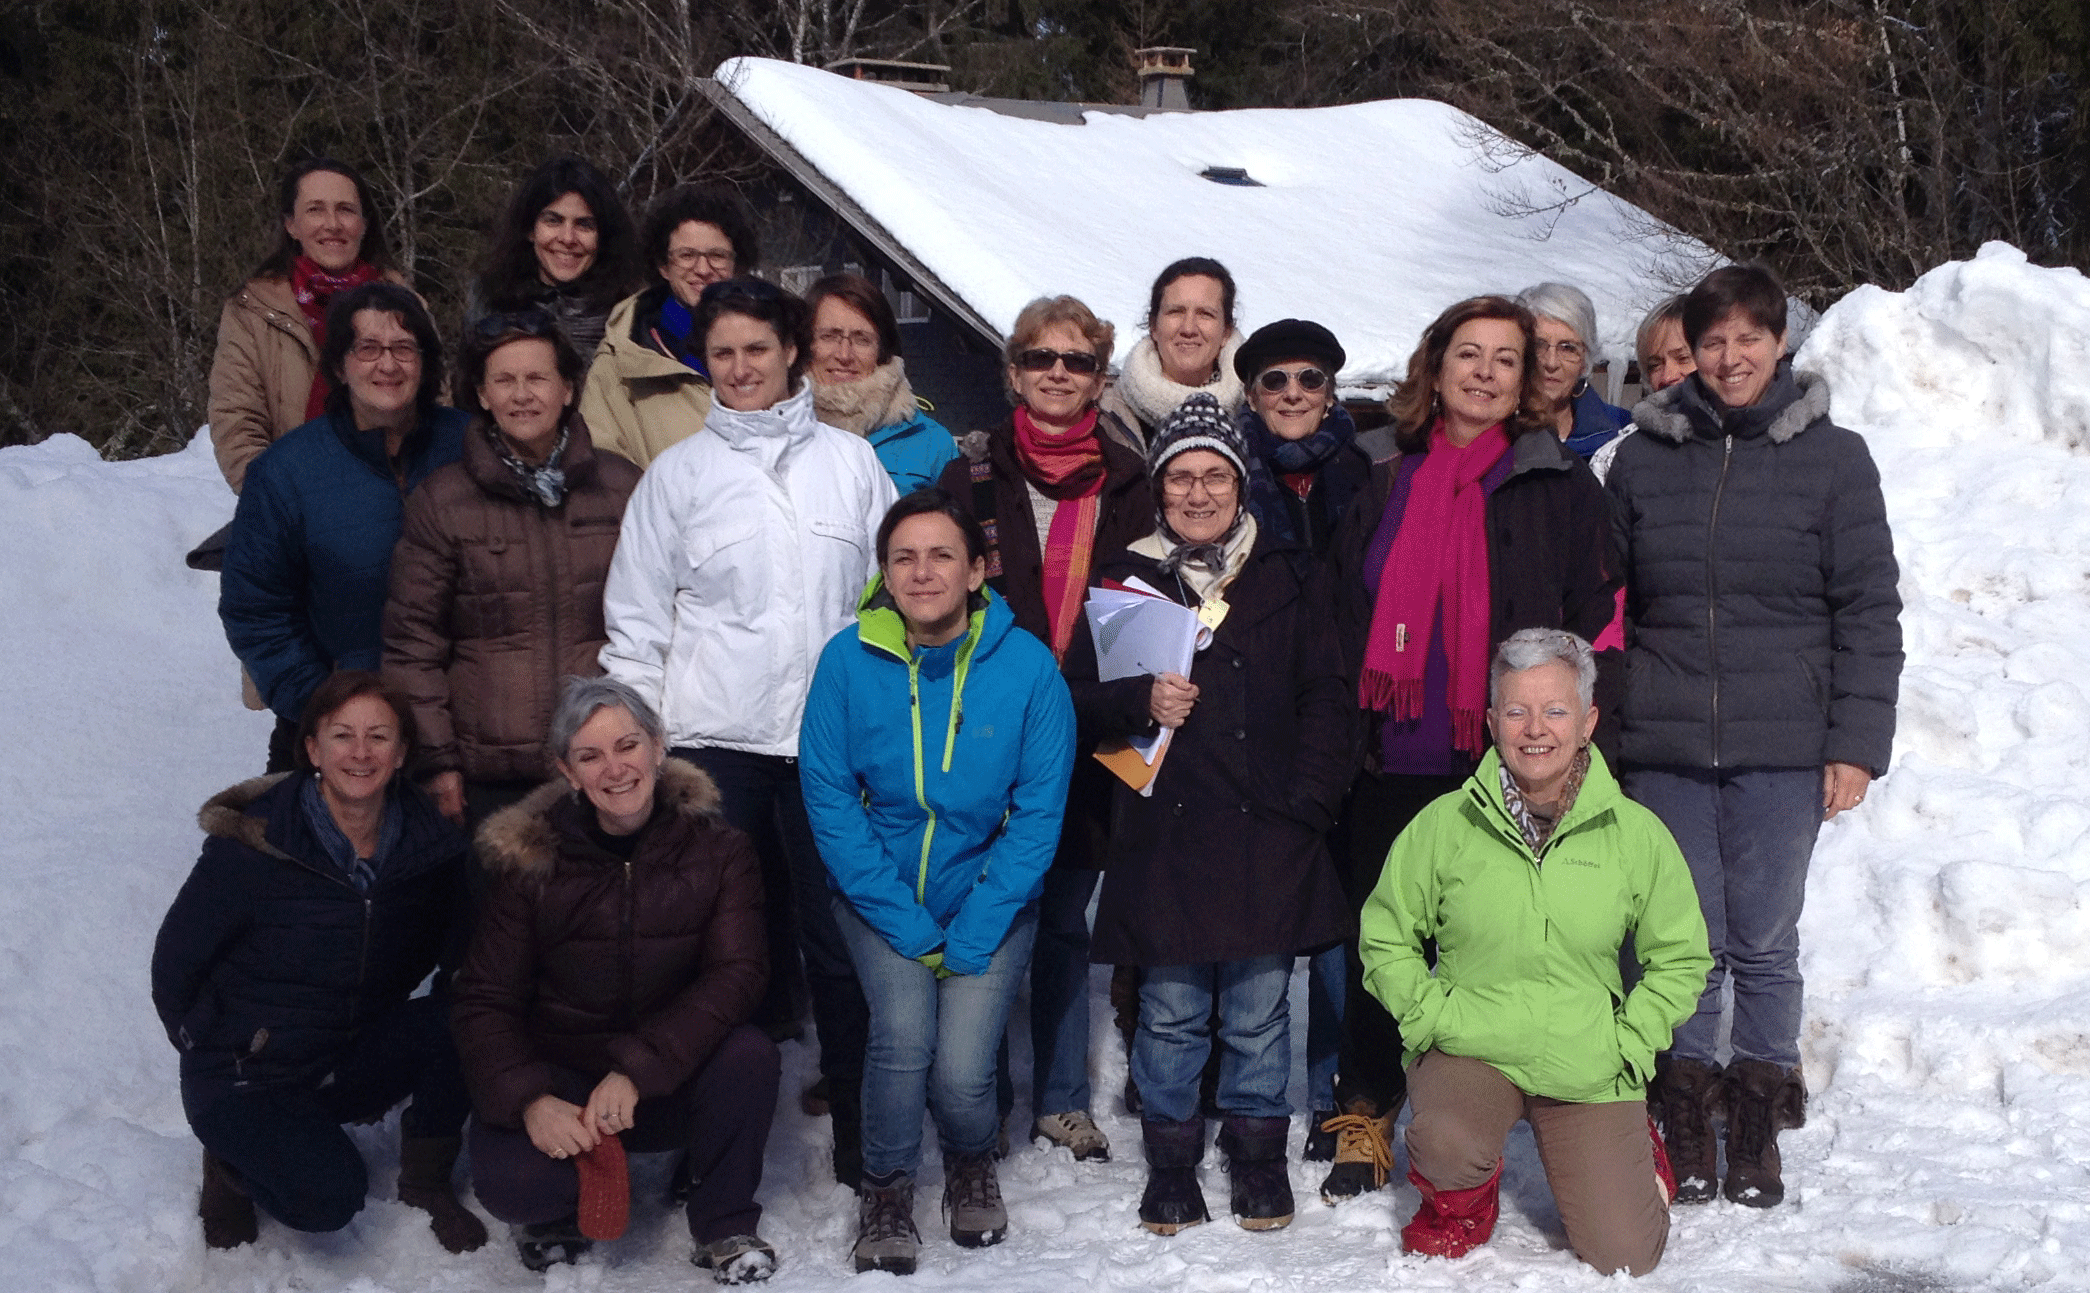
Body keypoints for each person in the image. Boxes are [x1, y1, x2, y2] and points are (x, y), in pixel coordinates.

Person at [1610, 262, 1902, 1208]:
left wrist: (1854, 740)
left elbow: (1868, 609)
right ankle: (1688, 1096)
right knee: (1681, 939)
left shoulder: (1835, 457)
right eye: (1712, 340)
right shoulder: (1645, 456)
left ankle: (1759, 1105)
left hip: (1784, 739)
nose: (1730, 357)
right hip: (1666, 735)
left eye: (1749, 338)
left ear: (1780, 344)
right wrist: (1605, 726)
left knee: (1766, 938)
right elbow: (1612, 603)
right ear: (1687, 351)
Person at [1320, 294, 1621, 1206]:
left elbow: (1594, 622)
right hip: (1388, 755)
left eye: (1505, 358)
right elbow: (1339, 617)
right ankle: (1367, 1106)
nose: (1485, 371)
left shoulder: (1557, 484)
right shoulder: (1377, 474)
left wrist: (1565, 752)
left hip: (1508, 763)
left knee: (1498, 946)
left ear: (1527, 378)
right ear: (1434, 366)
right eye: (1468, 353)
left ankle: (1482, 1121)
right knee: (1387, 943)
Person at [601, 276, 896, 1184]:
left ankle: (859, 1130)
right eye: (722, 353)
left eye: (756, 351)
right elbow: (637, 624)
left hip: (829, 746)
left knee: (839, 939)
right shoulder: (678, 477)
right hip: (712, 748)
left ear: (792, 354)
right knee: (711, 950)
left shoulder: (851, 465)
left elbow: (892, 597)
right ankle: (705, 1139)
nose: (738, 369)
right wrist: (640, 748)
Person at [1065, 393, 1353, 1234]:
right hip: (1165, 837)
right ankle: (1173, 1159)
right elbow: (1075, 701)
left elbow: (1328, 699)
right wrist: (1136, 698)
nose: (1197, 492)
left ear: (1239, 483)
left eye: (1214, 475)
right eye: (1180, 476)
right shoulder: (1124, 581)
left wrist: (1307, 805)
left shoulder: (1289, 574)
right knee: (1172, 1009)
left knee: (1261, 1007)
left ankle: (1258, 1153)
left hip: (1270, 826)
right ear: (1159, 489)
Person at [1359, 629, 1712, 1276]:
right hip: (1474, 1041)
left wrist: (1631, 1043)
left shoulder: (1634, 832)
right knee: (1444, 1139)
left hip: (1586, 1057)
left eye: (1555, 710)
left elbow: (1683, 957)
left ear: (1587, 722)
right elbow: (1386, 933)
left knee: (1625, 1254)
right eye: (1516, 710)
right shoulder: (1445, 823)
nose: (1535, 729)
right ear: (1491, 721)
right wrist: (1428, 1015)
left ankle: (1638, 1149)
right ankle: (1461, 1202)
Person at [800, 490, 1075, 1273]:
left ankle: (967, 1156)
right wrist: (907, 923)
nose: (922, 572)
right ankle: (885, 1187)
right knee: (902, 1035)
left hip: (990, 891)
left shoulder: (1026, 669)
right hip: (880, 893)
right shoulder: (846, 662)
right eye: (904, 557)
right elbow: (828, 799)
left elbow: (1037, 813)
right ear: (884, 574)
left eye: (942, 554)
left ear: (977, 569)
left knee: (961, 1070)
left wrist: (982, 922)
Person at [453, 677, 780, 1280]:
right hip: (565, 1083)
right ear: (567, 772)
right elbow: (484, 999)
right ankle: (559, 1210)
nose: (615, 768)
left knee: (749, 1055)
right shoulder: (531, 858)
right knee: (513, 1187)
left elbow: (738, 973)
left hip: (665, 1076)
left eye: (627, 745)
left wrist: (638, 1067)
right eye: (590, 755)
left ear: (659, 747)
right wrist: (530, 1099)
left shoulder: (720, 849)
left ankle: (725, 1223)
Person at [151, 672, 484, 1254]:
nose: (360, 753)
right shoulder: (257, 843)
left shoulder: (428, 851)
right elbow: (175, 962)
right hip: (250, 1070)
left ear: (402, 752)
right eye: (342, 735)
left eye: (378, 736)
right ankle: (230, 1165)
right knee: (328, 1201)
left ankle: (426, 1180)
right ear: (312, 748)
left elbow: (465, 944)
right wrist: (206, 1047)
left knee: (462, 1017)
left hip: (347, 1052)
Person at [935, 295, 1151, 1166]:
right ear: (1013, 372)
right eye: (1038, 358)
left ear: (1100, 376)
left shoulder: (1129, 480)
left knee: (1063, 916)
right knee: (982, 910)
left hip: (1089, 732)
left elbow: (1144, 609)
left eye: (1076, 359)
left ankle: (1061, 1096)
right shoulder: (970, 477)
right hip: (988, 732)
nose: (1057, 372)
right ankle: (974, 1093)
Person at [383, 311, 642, 831]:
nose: (522, 394)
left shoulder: (621, 487)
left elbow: (660, 621)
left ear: (568, 388)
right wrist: (438, 761)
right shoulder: (444, 499)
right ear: (482, 395)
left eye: (537, 377)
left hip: (601, 763)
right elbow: (413, 642)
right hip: (489, 777)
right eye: (504, 380)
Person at [220, 282, 468, 773]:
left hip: (461, 731)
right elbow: (257, 611)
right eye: (368, 349)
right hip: (335, 736)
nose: (388, 365)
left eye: (403, 348)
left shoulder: (470, 447)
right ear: (339, 365)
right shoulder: (287, 472)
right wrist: (324, 707)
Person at [1233, 318, 1369, 1158]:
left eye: (1309, 380)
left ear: (1331, 393)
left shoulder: (1365, 476)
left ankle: (1333, 1091)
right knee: (1259, 919)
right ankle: (1246, 1094)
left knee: (1342, 926)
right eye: (1275, 380)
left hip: (1352, 715)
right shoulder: (1227, 476)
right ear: (1251, 394)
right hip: (1259, 718)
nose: (1292, 394)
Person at [208, 158, 396, 493]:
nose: (332, 223)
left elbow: (435, 411)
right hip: (291, 502)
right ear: (291, 225)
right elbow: (238, 424)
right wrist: (283, 502)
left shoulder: (404, 306)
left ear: (364, 223)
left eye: (345, 209)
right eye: (315, 210)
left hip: (395, 498)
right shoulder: (252, 310)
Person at [579, 184, 760, 468]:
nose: (702, 269)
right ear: (663, 265)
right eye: (687, 255)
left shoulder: (773, 346)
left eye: (717, 256)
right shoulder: (621, 362)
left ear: (737, 264)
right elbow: (605, 473)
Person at [465, 155, 640, 366]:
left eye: (584, 225)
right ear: (530, 229)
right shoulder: (489, 300)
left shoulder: (634, 309)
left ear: (603, 236)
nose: (567, 238)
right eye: (553, 221)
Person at [805, 272, 958, 493]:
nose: (844, 355)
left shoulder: (931, 442)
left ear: (882, 350)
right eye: (829, 336)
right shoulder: (781, 431)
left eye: (862, 340)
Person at [1097, 257, 1245, 454]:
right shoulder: (1105, 413)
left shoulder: (1255, 412)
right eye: (1175, 312)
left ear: (1226, 331)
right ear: (1153, 326)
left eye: (1205, 314)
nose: (1188, 328)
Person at [1517, 282, 1630, 461]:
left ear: (1585, 362)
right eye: (1538, 345)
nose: (1551, 362)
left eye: (1568, 348)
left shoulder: (1622, 433)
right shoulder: (1491, 433)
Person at [1590, 295, 1692, 485]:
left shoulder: (1750, 443)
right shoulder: (1615, 458)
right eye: (1655, 365)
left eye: (1683, 358)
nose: (1667, 376)